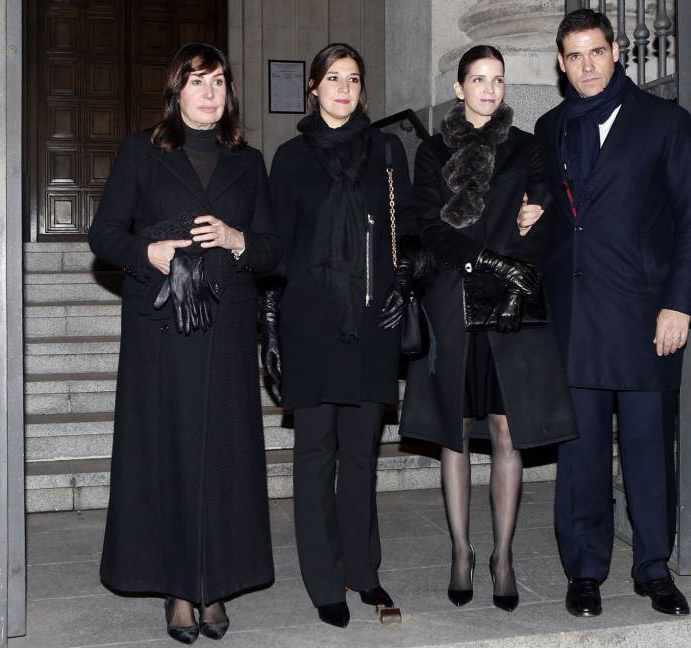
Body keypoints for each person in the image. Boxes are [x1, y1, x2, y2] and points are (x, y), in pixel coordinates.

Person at [88, 42, 279, 644]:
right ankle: (177, 589)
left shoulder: (248, 163)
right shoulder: (141, 153)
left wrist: (236, 237)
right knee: (166, 455)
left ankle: (216, 586)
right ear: (176, 93)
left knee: (222, 459)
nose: (209, 92)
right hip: (162, 332)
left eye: (219, 82)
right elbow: (104, 236)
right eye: (197, 82)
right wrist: (149, 252)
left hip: (224, 330)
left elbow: (275, 250)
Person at [534, 9, 691, 618]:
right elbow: (559, 219)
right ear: (561, 62)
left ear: (617, 53)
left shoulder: (664, 123)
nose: (586, 66)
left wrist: (680, 304)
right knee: (579, 453)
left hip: (644, 316)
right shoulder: (549, 126)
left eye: (596, 52)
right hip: (576, 315)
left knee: (646, 449)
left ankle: (654, 569)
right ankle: (583, 572)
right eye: (574, 55)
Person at [400, 45, 577, 613]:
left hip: (511, 301)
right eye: (478, 79)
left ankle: (502, 555)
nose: (489, 89)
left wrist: (527, 235)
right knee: (457, 427)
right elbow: (426, 224)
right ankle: (460, 551)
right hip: (452, 297)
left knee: (505, 429)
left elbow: (548, 211)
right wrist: (480, 262)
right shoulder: (431, 151)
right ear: (458, 87)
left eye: (498, 80)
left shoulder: (527, 147)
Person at [260, 42, 414, 629]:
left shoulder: (388, 150)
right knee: (314, 455)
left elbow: (408, 234)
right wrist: (269, 325)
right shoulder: (291, 158)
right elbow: (275, 250)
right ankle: (323, 579)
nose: (344, 88)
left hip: (373, 322)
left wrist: (405, 282)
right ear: (314, 88)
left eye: (353, 78)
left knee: (361, 458)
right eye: (333, 78)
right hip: (310, 323)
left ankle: (364, 570)